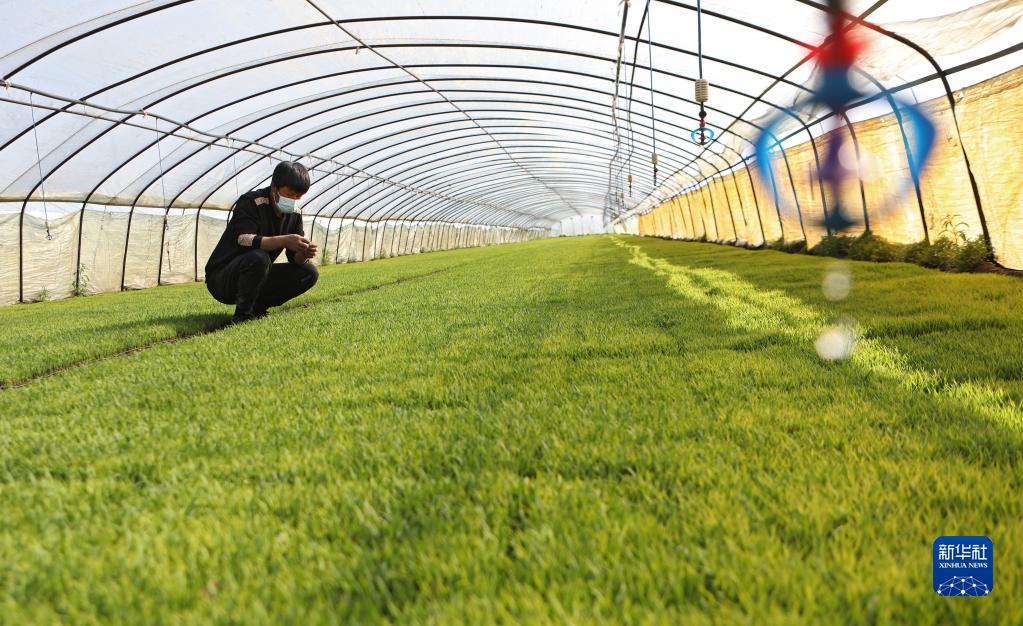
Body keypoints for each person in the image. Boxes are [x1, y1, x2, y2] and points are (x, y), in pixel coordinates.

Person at [205, 161, 320, 323]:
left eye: (298, 196)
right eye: (290, 193)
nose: (294, 200)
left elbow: (294, 259)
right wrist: (284, 240)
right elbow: (243, 239)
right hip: (222, 279)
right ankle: (242, 316)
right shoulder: (251, 202)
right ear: (274, 187)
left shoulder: (295, 215)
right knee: (259, 257)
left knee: (308, 273)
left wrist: (303, 253)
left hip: (258, 273)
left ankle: (257, 307)